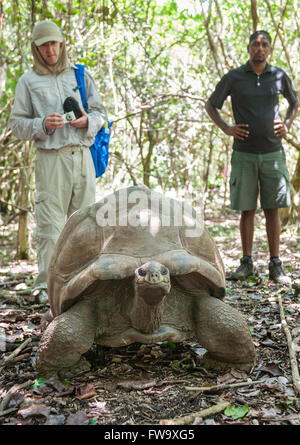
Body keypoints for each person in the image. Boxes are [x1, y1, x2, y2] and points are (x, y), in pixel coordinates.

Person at [9, 20, 108, 302]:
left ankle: (87, 284)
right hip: (51, 159)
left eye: (54, 43)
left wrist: (88, 120)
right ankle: (46, 287)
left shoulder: (80, 75)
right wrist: (43, 124)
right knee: (50, 225)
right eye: (44, 45)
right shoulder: (28, 81)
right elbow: (17, 125)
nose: (50, 50)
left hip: (82, 155)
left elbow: (101, 114)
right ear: (36, 48)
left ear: (62, 44)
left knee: (86, 223)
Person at [205, 30, 298, 285]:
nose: (260, 48)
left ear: (269, 50)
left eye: (264, 44)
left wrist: (287, 124)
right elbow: (211, 104)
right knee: (247, 210)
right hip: (243, 154)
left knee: (272, 209)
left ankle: (275, 265)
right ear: (249, 48)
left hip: (272, 153)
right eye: (256, 43)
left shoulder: (278, 76)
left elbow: (294, 101)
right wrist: (226, 128)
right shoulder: (235, 77)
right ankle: (246, 263)